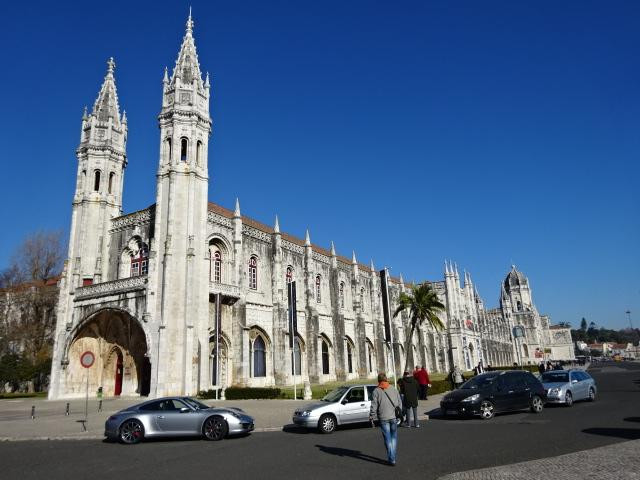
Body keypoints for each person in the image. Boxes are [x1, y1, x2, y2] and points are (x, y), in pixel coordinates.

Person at [370, 372, 402, 466]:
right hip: (393, 417)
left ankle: (392, 458)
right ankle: (393, 457)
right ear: (386, 379)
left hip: (383, 418)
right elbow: (399, 402)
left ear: (379, 380)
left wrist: (372, 416)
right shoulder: (393, 389)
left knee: (387, 439)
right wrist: (398, 412)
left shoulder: (376, 391)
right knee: (394, 437)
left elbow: (374, 406)